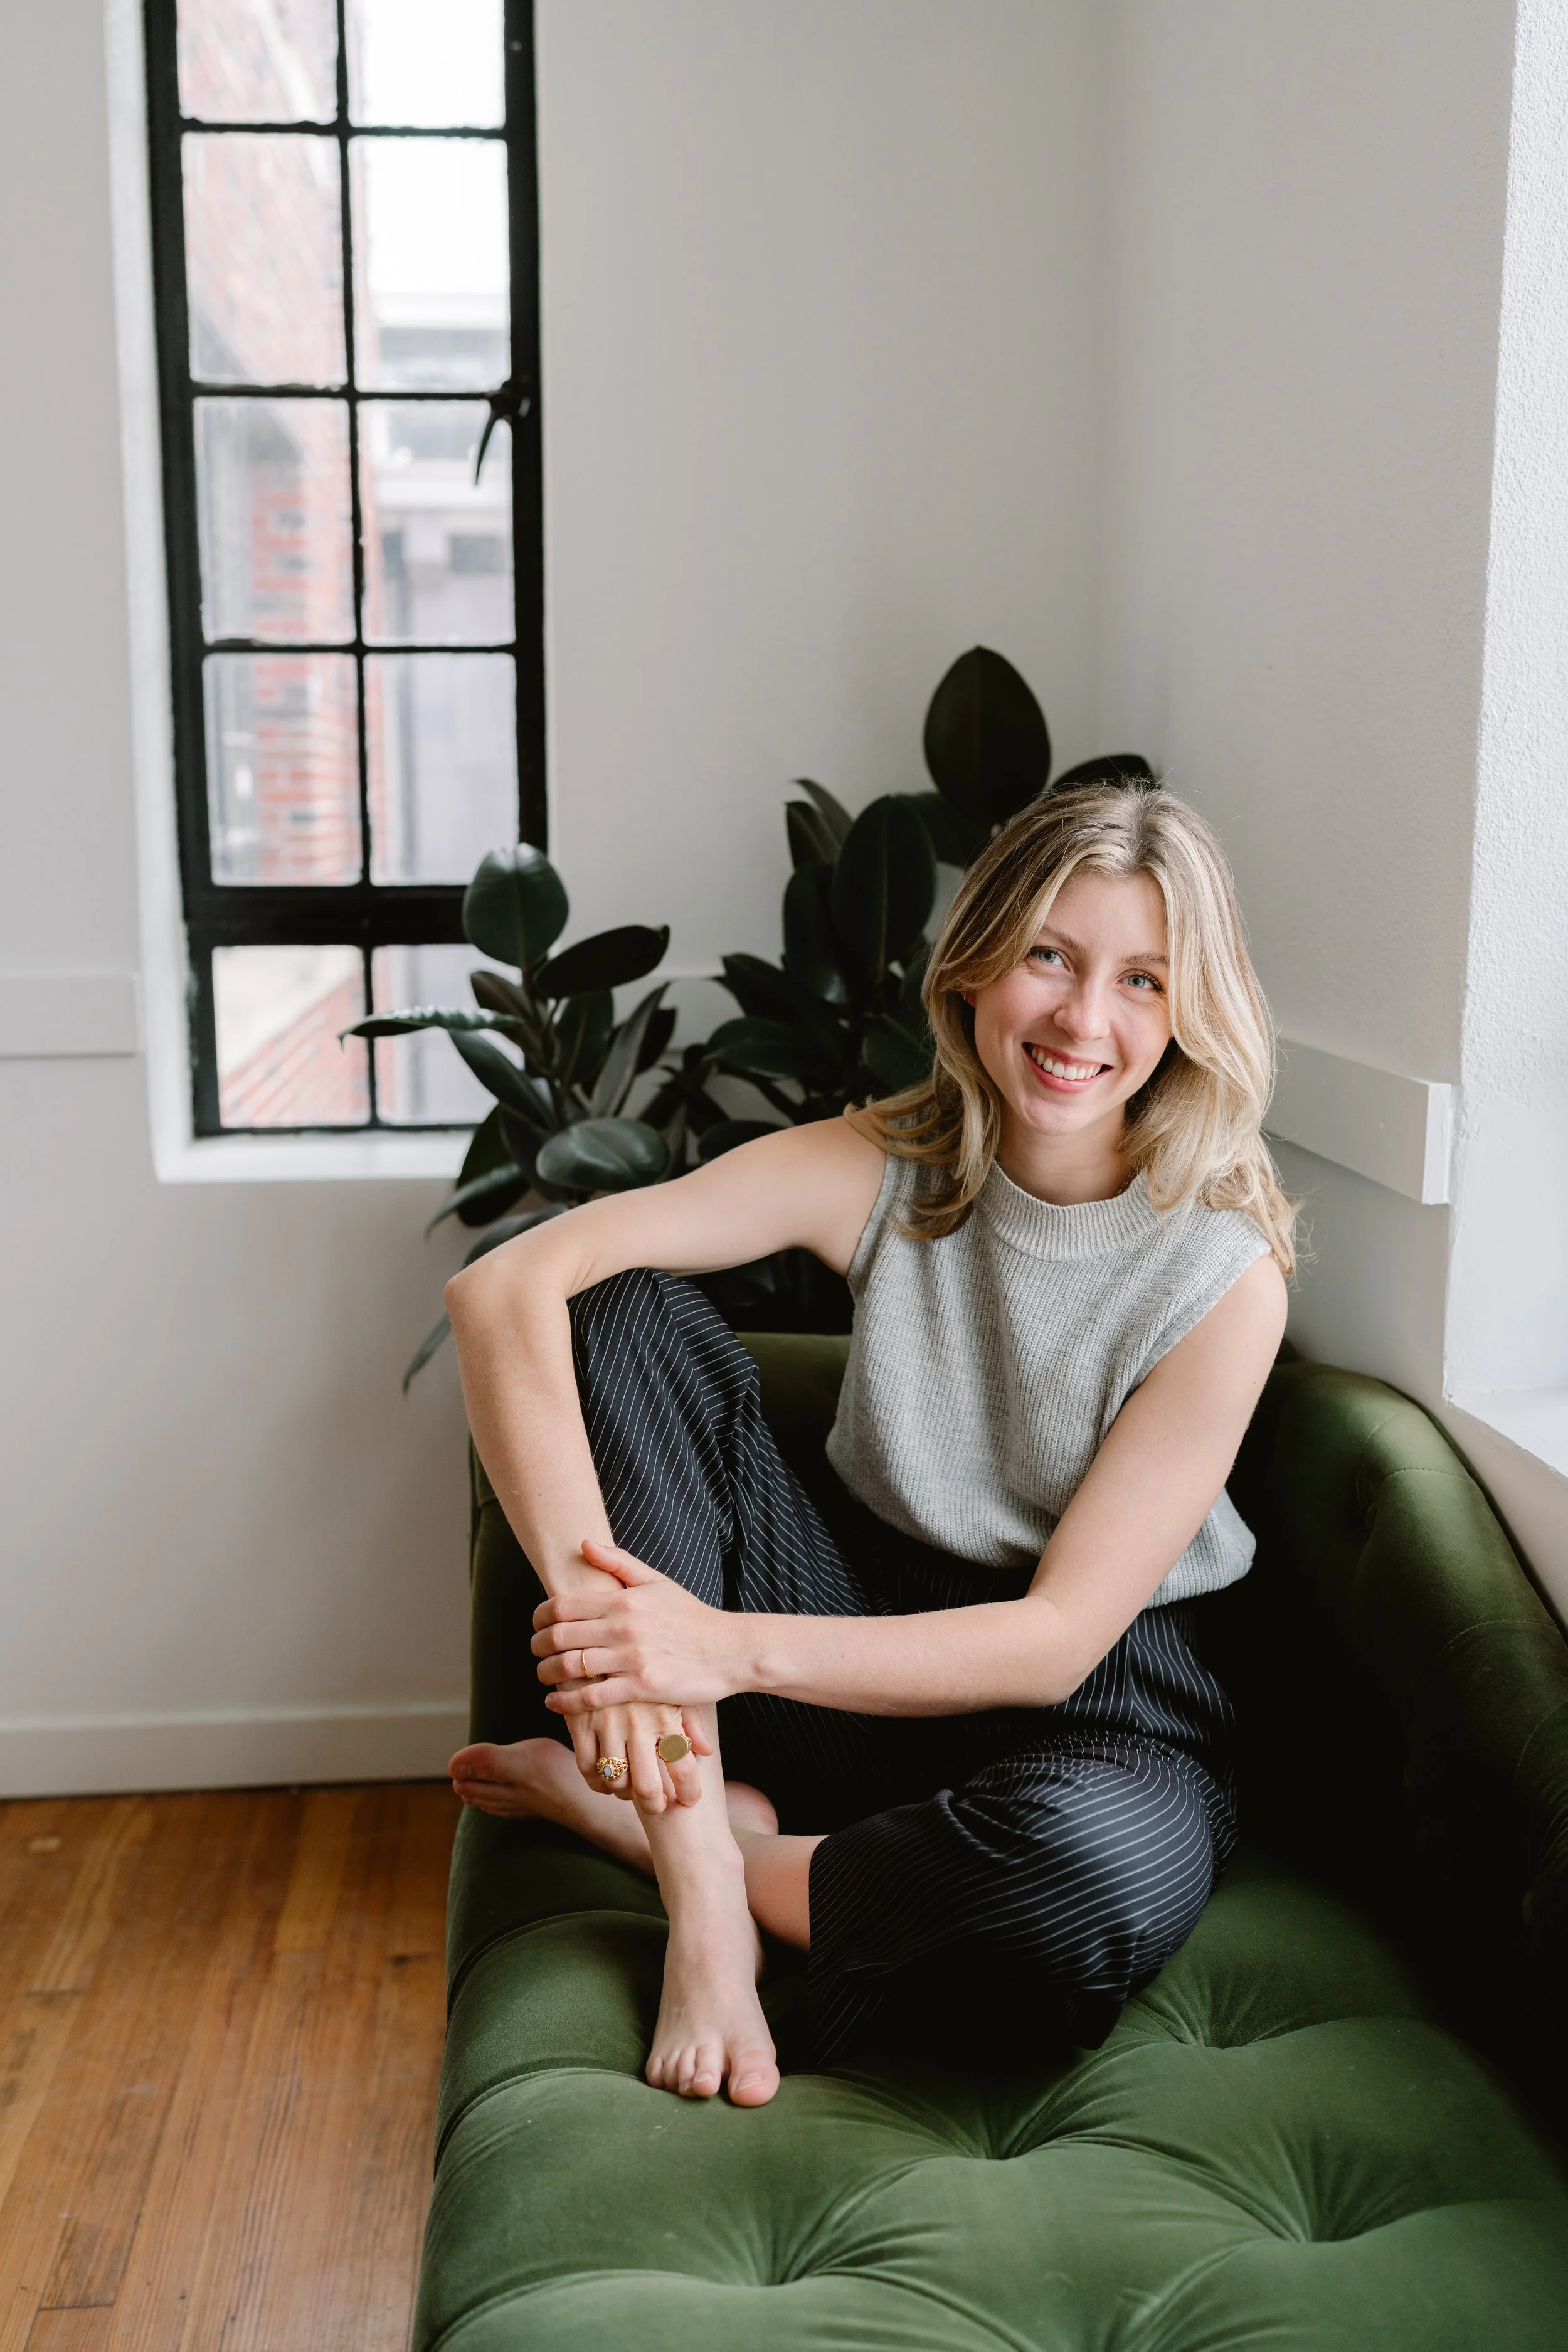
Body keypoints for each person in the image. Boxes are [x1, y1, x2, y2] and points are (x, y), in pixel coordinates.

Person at [444, 780, 1292, 2110]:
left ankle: (670, 1846)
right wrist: (616, 1650)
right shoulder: (877, 1166)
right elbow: (500, 1290)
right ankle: (709, 1911)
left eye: (1141, 979)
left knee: (1073, 1900)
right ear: (972, 969)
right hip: (850, 1638)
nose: (1082, 1020)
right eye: (1048, 959)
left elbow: (1054, 1639)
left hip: (1096, 1712)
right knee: (612, 1300)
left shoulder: (1220, 1275)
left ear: (1189, 1012)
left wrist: (711, 1649)